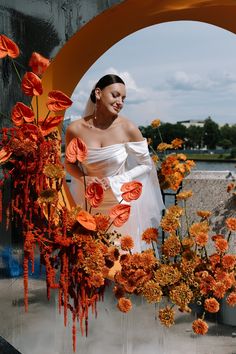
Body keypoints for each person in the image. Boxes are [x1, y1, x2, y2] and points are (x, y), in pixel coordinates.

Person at [65, 74, 165, 252]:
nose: (120, 102)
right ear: (98, 93)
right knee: (89, 260)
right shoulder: (75, 129)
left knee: (120, 260)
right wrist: (85, 179)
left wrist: (116, 181)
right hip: (87, 202)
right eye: (115, 95)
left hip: (119, 205)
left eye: (123, 98)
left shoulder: (128, 128)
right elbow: (70, 163)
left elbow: (146, 164)